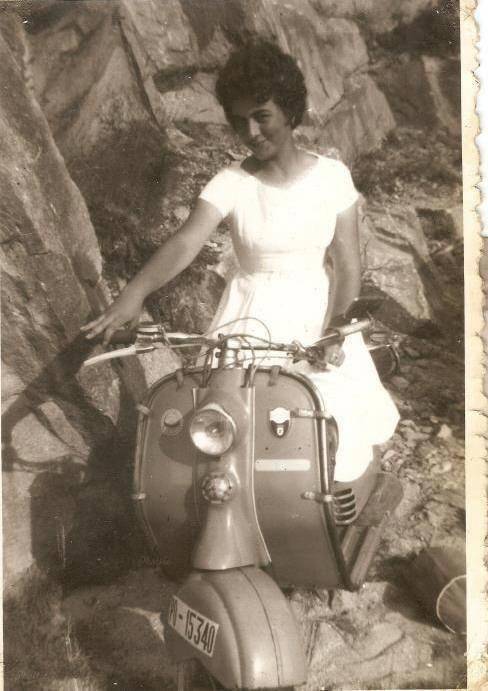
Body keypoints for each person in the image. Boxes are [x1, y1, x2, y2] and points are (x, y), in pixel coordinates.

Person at [82, 40, 399, 481]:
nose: (251, 131)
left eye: (261, 116)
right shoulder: (231, 182)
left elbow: (347, 265)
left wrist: (336, 331)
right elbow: (186, 241)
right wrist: (134, 293)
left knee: (321, 434)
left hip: (318, 319)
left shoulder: (332, 177)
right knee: (227, 431)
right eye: (238, 121)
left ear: (289, 110)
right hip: (247, 322)